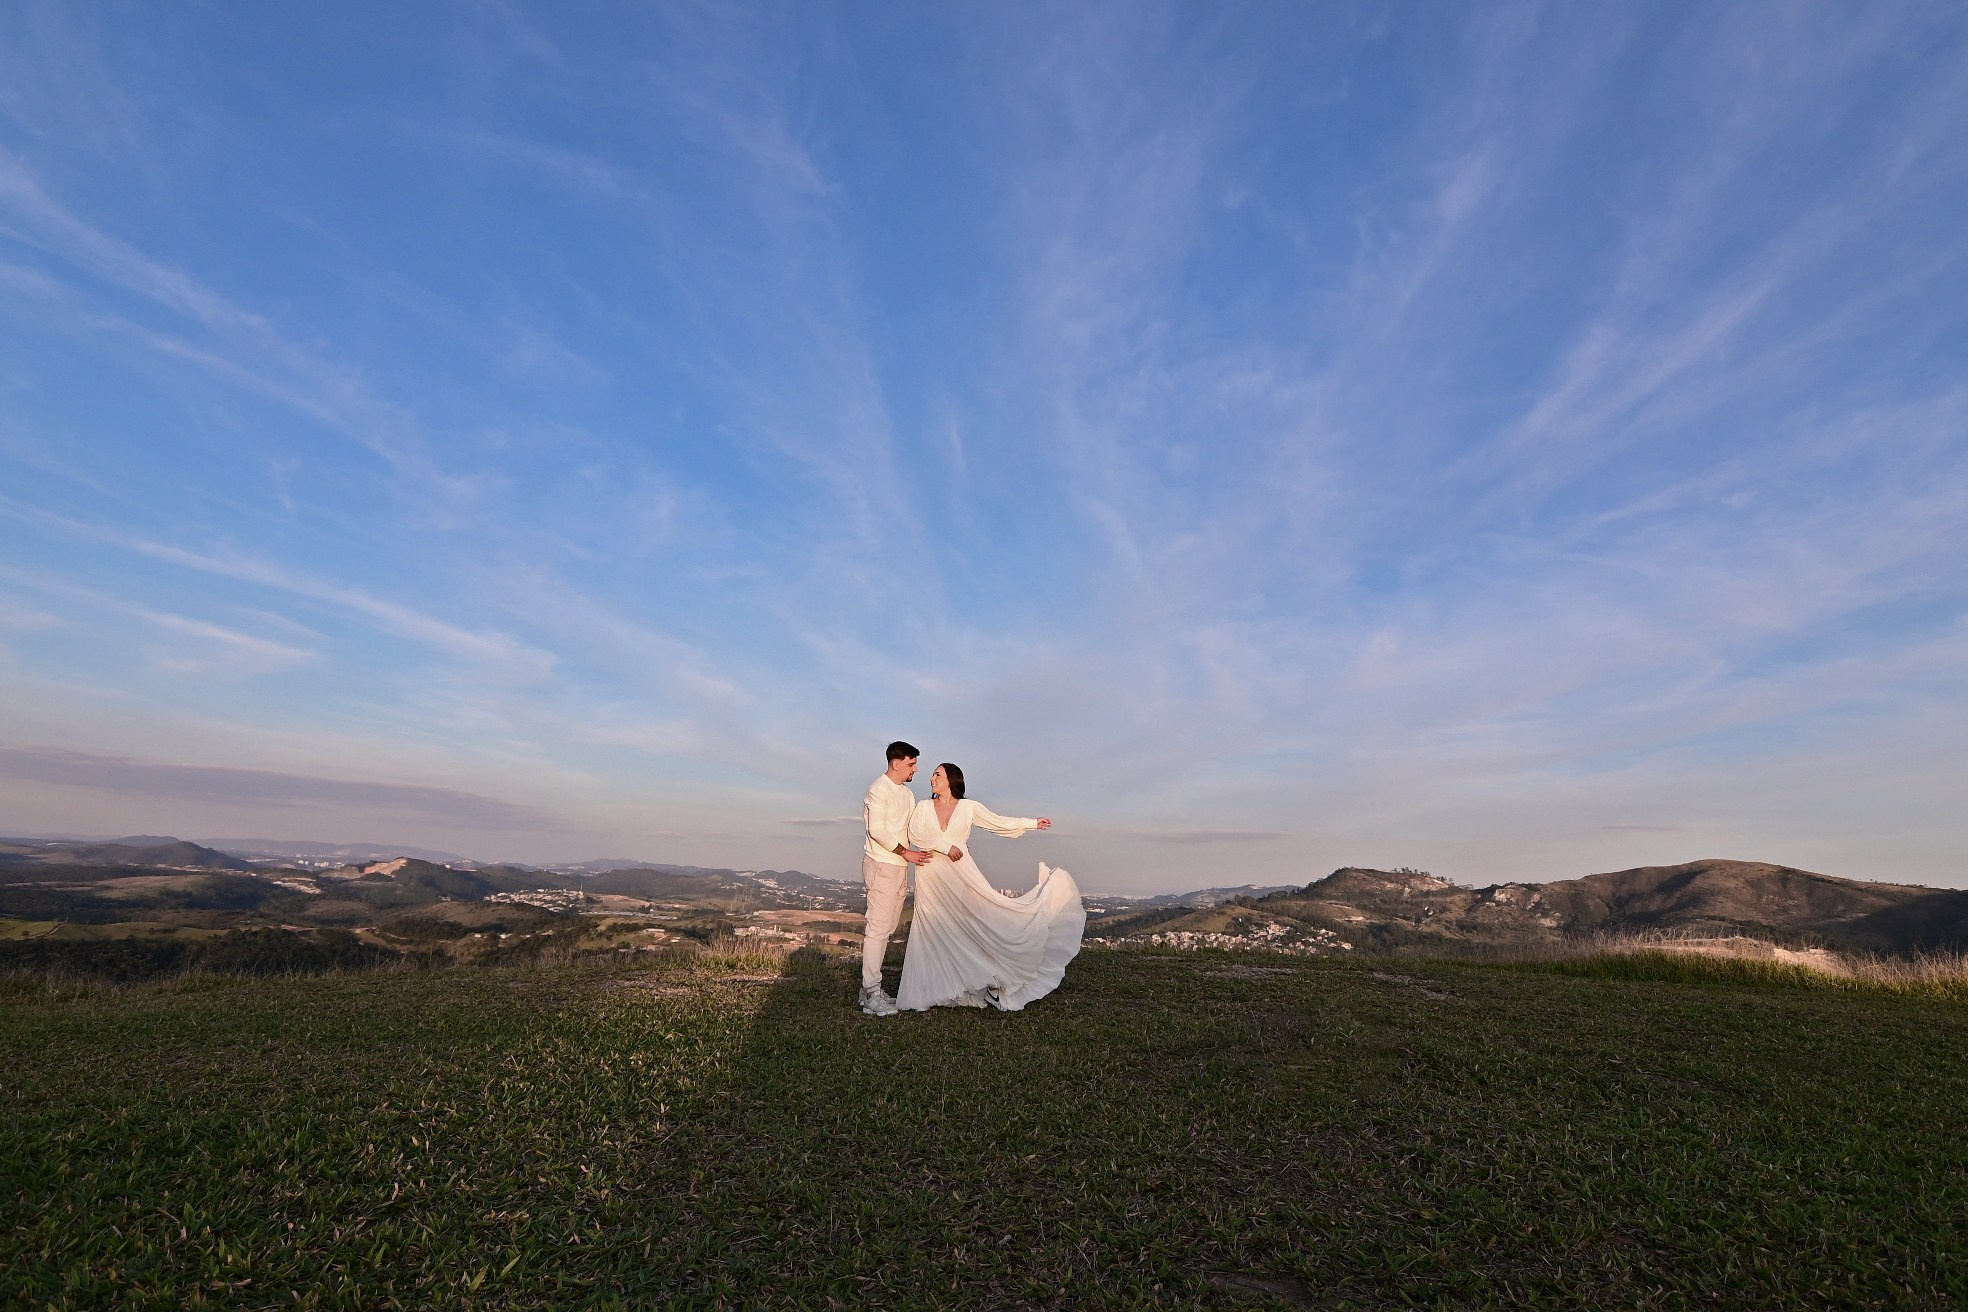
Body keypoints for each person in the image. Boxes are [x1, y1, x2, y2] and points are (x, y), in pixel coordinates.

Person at [895, 763, 1084, 1012]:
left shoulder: (968, 807)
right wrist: (945, 847)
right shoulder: (922, 807)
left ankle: (995, 981)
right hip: (931, 875)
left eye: (937, 775)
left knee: (978, 923)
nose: (931, 778)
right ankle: (934, 987)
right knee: (933, 927)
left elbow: (997, 822)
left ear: (951, 780)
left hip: (962, 874)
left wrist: (1031, 823)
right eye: (932, 774)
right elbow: (916, 834)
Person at [859, 741, 932, 1017]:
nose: (916, 769)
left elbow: (913, 827)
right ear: (896, 763)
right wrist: (907, 853)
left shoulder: (908, 794)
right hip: (882, 864)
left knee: (888, 926)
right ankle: (871, 993)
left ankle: (871, 990)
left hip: (899, 866)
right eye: (912, 763)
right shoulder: (879, 789)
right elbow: (877, 830)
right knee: (877, 929)